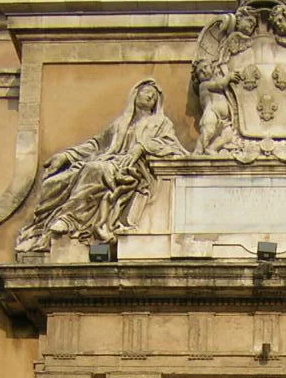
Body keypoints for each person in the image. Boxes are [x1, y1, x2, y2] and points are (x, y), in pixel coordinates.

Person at [16, 79, 187, 252]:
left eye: (154, 95)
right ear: (135, 94)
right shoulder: (119, 124)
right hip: (109, 162)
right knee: (55, 182)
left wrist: (142, 147)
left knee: (96, 169)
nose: (150, 95)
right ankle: (41, 230)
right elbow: (96, 145)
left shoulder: (161, 123)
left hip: (133, 169)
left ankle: (68, 219)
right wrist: (66, 156)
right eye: (146, 91)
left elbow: (170, 144)